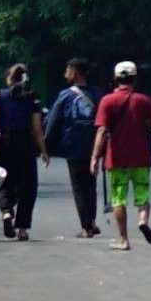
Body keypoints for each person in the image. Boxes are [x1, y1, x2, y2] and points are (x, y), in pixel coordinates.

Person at [95, 60, 151, 247]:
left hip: (117, 159)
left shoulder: (107, 101)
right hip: (141, 157)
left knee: (118, 198)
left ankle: (124, 239)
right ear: (135, 78)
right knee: (142, 194)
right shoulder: (144, 101)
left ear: (116, 79)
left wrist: (94, 157)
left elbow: (101, 131)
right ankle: (143, 221)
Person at [0, 63, 47, 240]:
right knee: (27, 186)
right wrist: (43, 150)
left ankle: (6, 211)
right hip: (25, 144)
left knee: (4, 179)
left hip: (3, 142)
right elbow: (37, 129)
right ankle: (22, 228)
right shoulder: (33, 98)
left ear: (9, 78)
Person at [47, 58, 101, 237]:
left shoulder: (65, 95)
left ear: (75, 73)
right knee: (91, 186)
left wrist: (45, 145)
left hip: (73, 146)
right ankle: (91, 221)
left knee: (79, 187)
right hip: (94, 146)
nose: (65, 74)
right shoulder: (97, 94)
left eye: (67, 70)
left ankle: (86, 226)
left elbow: (53, 121)